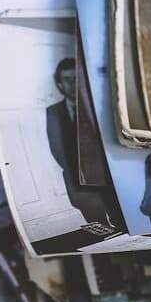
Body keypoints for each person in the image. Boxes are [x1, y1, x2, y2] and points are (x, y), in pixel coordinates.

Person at [44, 58, 115, 231]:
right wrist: (77, 168)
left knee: (120, 217)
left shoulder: (96, 103)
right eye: (66, 80)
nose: (72, 83)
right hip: (78, 179)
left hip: (107, 175)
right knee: (99, 227)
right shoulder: (53, 112)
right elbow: (56, 148)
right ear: (59, 84)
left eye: (75, 78)